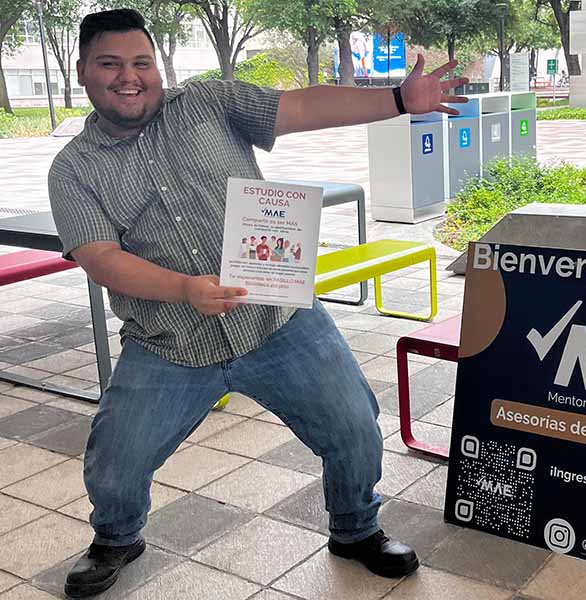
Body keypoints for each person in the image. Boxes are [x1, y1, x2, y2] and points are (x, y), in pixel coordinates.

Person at [48, 9, 468, 599]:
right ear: (84, 71)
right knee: (114, 464)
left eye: (141, 62)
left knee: (354, 428)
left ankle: (354, 529)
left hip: (278, 319)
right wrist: (185, 288)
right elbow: (100, 257)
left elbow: (303, 108)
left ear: (157, 66)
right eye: (110, 64)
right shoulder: (73, 170)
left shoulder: (207, 104)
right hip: (171, 340)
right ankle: (117, 537)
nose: (129, 77)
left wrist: (398, 99)